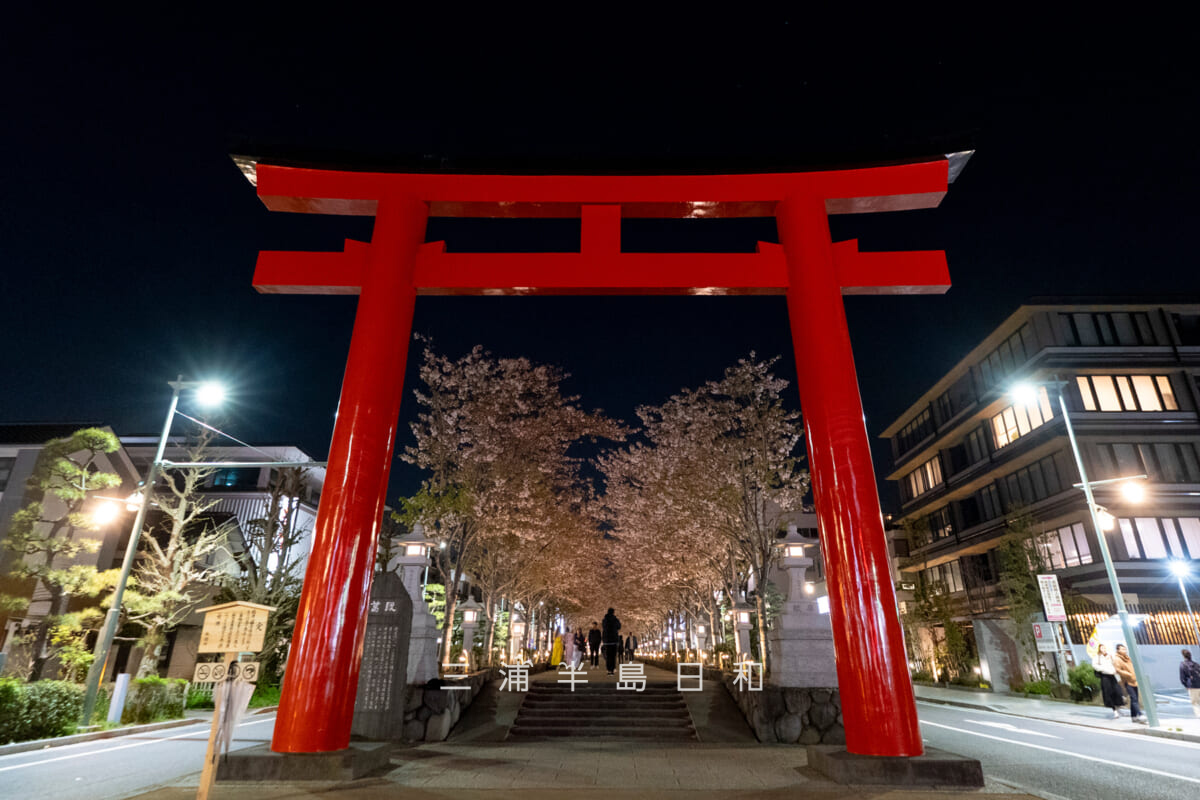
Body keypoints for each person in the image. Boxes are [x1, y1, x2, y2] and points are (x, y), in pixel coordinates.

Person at [1114, 643, 1145, 722]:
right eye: (1122, 649)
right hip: (1127, 681)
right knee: (1134, 698)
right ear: (1118, 650)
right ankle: (1140, 714)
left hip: (1134, 680)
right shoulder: (1117, 659)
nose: (1125, 650)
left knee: (1134, 698)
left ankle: (1133, 716)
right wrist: (1128, 674)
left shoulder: (1127, 658)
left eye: (1125, 649)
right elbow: (1117, 670)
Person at [1094, 643, 1124, 719]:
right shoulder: (1097, 657)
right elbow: (1095, 666)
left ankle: (1118, 708)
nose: (1103, 649)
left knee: (1117, 692)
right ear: (1099, 649)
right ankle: (1115, 711)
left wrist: (1112, 659)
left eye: (1104, 648)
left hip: (1112, 675)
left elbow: (1115, 663)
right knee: (1109, 694)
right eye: (1102, 648)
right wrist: (1103, 669)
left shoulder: (1110, 655)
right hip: (1105, 677)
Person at [602, 607, 622, 675]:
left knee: (608, 656)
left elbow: (603, 627)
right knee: (613, 656)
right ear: (613, 612)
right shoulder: (615, 619)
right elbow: (619, 627)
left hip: (607, 641)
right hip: (614, 640)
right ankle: (613, 669)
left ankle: (608, 669)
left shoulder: (604, 620)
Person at [1181, 649, 1200, 717]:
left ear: (1183, 656)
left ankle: (1198, 715)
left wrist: (1186, 685)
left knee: (1195, 702)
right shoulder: (1196, 664)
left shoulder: (1183, 664)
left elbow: (1182, 677)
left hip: (1192, 686)